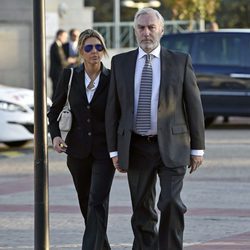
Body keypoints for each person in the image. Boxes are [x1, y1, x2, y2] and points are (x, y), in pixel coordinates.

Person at [105, 8, 205, 250]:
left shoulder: (180, 61)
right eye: (141, 28)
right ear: (135, 31)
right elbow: (112, 109)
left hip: (173, 146)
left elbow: (194, 106)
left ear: (161, 30)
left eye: (151, 27)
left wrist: (198, 148)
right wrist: (113, 151)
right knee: (141, 209)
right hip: (136, 146)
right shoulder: (121, 62)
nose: (146, 32)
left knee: (171, 202)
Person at [48, 29, 115, 250]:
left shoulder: (112, 78)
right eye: (89, 47)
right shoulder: (69, 76)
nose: (94, 51)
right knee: (86, 203)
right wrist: (56, 135)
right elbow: (53, 110)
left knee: (97, 201)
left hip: (105, 152)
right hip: (76, 152)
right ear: (81, 51)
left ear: (103, 50)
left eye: (98, 47)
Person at [49, 29, 77, 100]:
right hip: (56, 73)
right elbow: (62, 61)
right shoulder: (55, 46)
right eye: (64, 37)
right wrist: (70, 60)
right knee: (56, 92)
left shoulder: (59, 46)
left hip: (58, 73)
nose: (66, 39)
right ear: (59, 36)